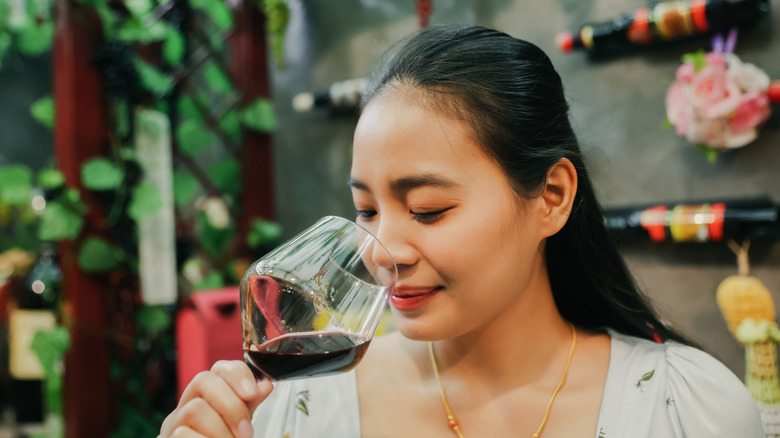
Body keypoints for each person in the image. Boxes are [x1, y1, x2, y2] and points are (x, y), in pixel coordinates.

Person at [159, 25, 765, 438]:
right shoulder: (298, 411)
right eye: (366, 212)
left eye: (427, 210)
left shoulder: (680, 410)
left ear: (551, 197)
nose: (383, 253)